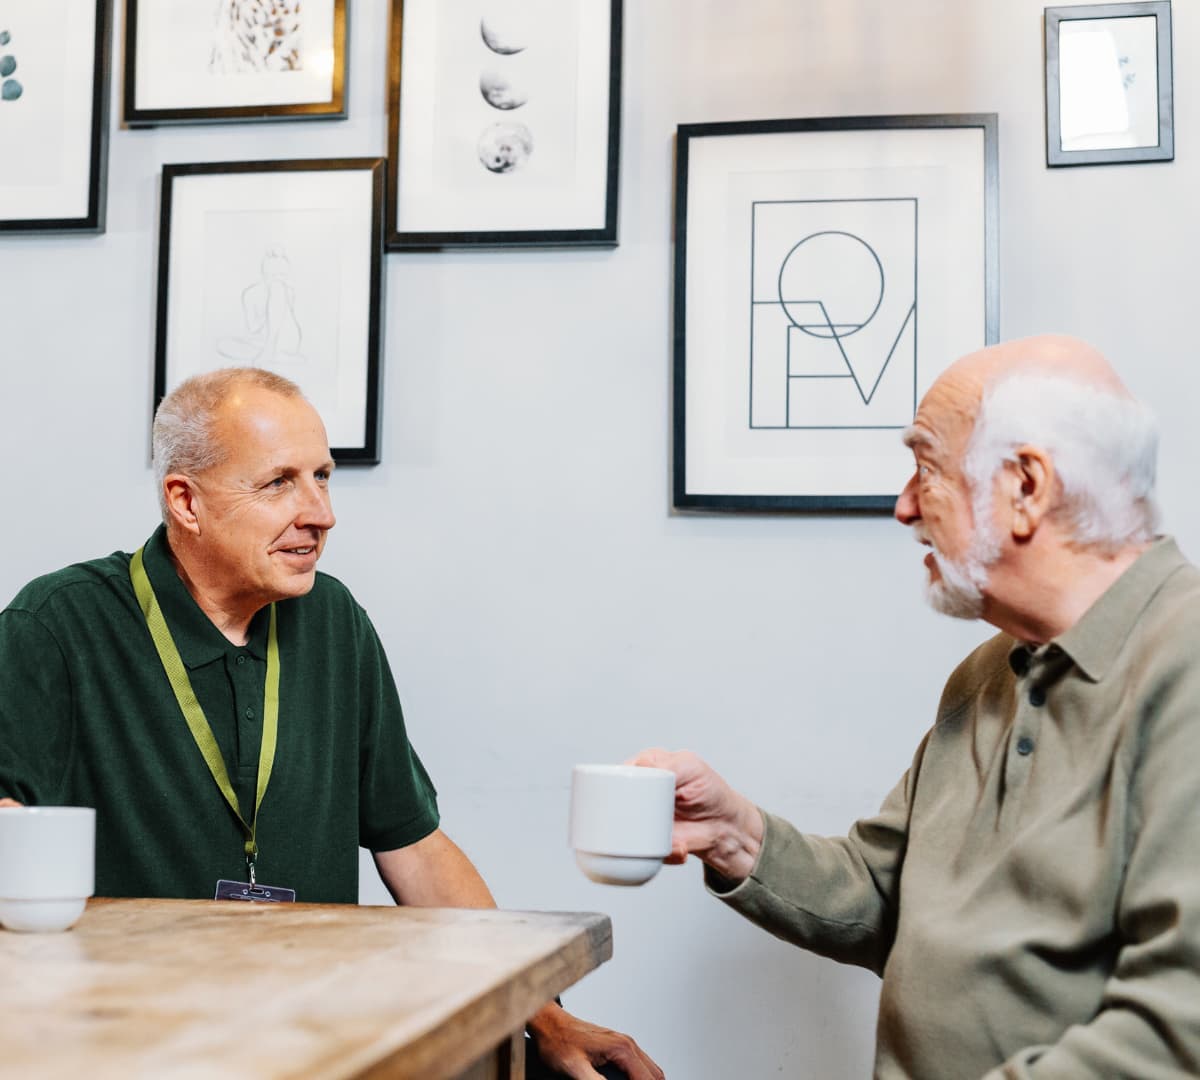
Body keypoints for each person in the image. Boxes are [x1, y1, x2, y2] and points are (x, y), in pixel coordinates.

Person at [0, 368, 661, 1080]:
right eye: (280, 482)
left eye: (323, 476)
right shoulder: (56, 626)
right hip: (127, 1046)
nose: (321, 513)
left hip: (318, 1042)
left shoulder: (335, 621)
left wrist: (545, 1017)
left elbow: (418, 849)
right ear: (185, 502)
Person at [634, 334, 1200, 1078]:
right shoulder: (989, 671)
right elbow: (885, 895)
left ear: (1027, 486)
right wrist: (733, 835)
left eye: (926, 467)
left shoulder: (1183, 667)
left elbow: (1177, 1023)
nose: (903, 507)